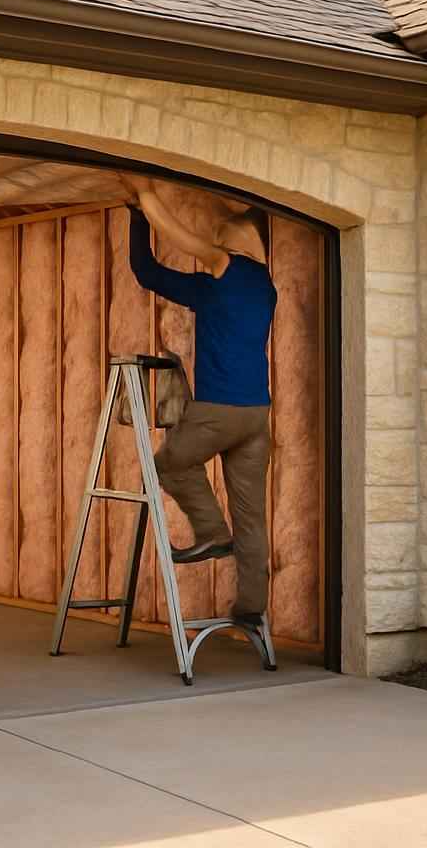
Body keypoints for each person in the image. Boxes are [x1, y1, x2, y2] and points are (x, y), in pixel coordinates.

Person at [120, 174, 276, 626]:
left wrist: (145, 195)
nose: (217, 236)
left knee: (169, 464)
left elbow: (178, 235)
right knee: (251, 516)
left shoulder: (234, 268)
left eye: (224, 231)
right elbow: (147, 272)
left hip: (219, 410)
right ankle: (251, 608)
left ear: (246, 239)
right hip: (256, 414)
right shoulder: (256, 287)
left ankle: (210, 531)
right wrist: (137, 217)